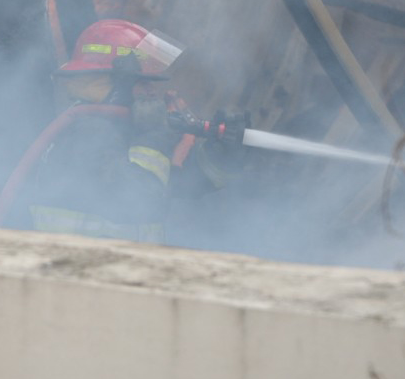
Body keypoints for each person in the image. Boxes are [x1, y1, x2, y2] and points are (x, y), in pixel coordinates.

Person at [14, 18, 244, 243]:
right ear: (110, 83)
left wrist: (222, 154)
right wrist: (153, 139)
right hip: (73, 274)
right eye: (142, 82)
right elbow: (140, 201)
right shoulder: (89, 133)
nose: (152, 92)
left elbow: (180, 182)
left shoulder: (122, 130)